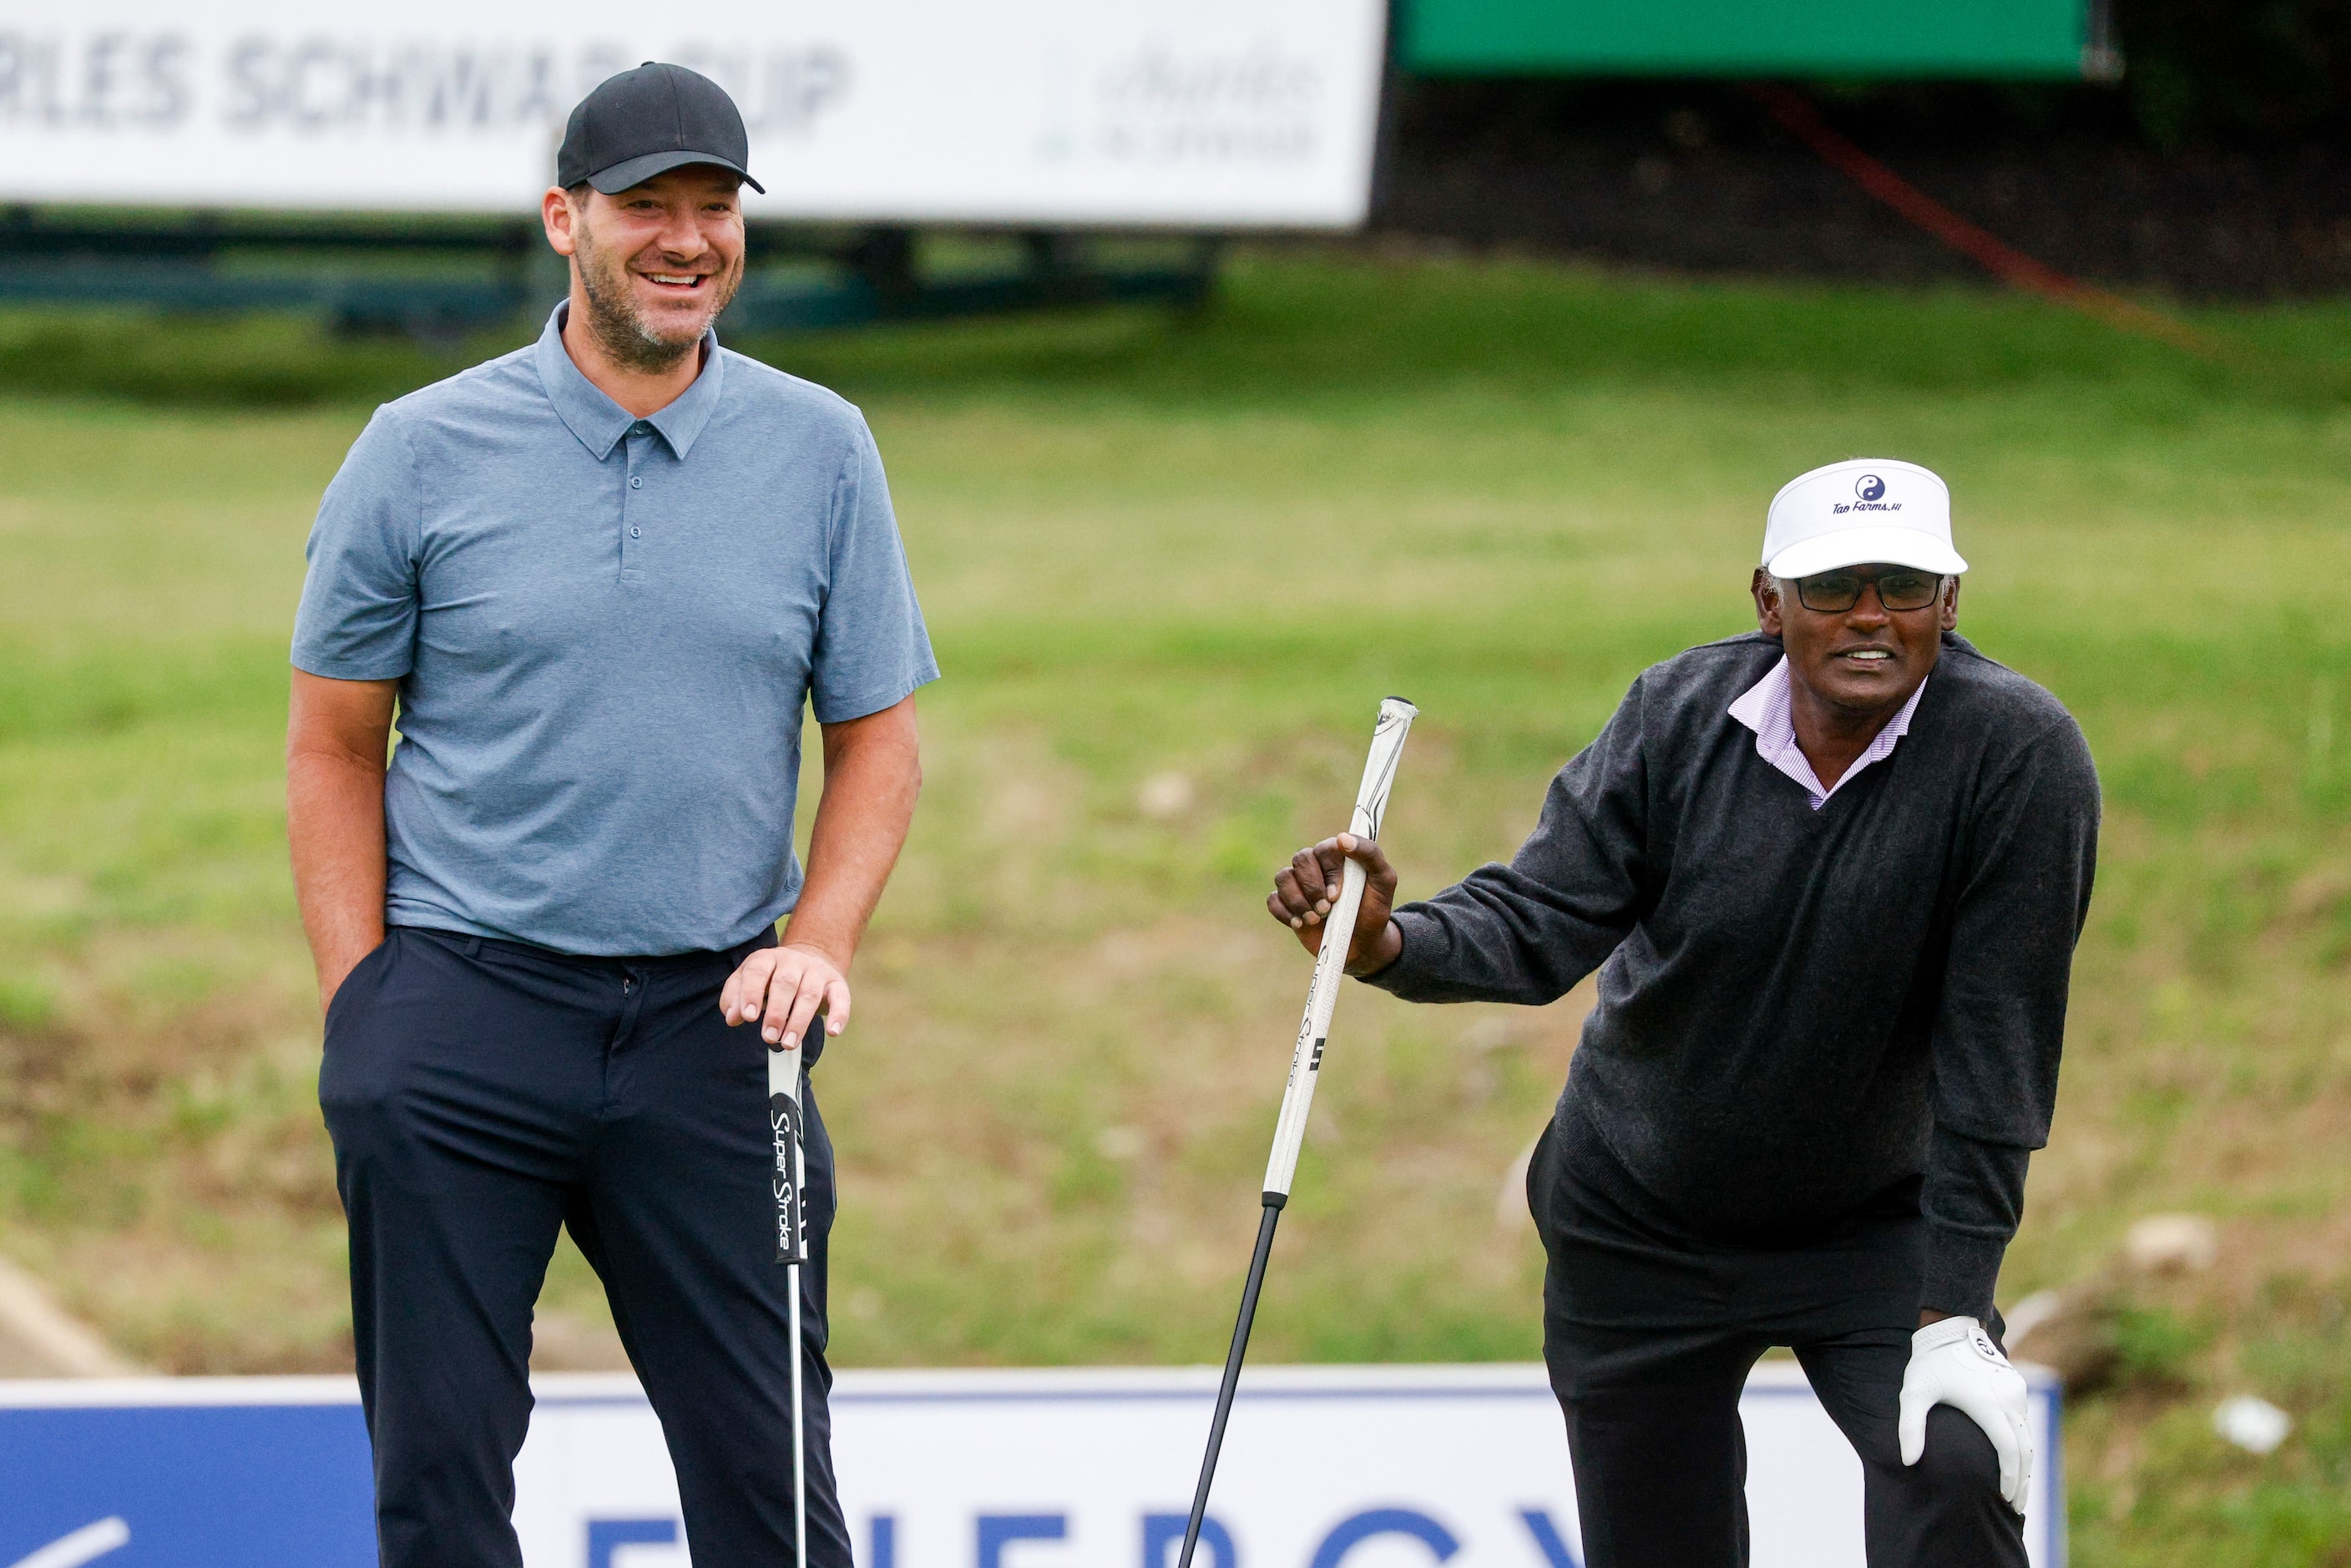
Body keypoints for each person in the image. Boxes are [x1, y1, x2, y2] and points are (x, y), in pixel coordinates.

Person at [285, 63, 935, 1568]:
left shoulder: (823, 449)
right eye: (651, 206)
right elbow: (333, 744)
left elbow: (880, 741)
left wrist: (822, 940)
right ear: (565, 220)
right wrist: (364, 1006)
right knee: (439, 1486)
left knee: (776, 1492)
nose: (689, 238)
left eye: (718, 209)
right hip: (463, 1008)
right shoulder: (418, 448)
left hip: (717, 1028)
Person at [1267, 458, 2098, 1567]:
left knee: (1957, 1458)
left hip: (1872, 1225)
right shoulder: (1677, 715)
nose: (1868, 616)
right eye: (1830, 587)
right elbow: (1543, 916)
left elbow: (1999, 1053)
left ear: (1950, 603)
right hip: (1640, 1217)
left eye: (1901, 586)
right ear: (1768, 601)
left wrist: (1954, 1310)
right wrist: (1388, 941)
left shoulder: (2018, 756)